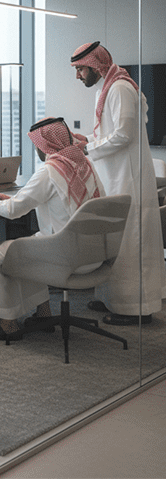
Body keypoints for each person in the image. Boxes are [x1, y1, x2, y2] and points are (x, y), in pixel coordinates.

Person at [0, 117, 105, 341]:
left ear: (45, 144)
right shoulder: (85, 164)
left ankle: (7, 324)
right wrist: (15, 200)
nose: (37, 149)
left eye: (37, 144)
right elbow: (56, 198)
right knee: (32, 242)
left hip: (66, 256)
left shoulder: (50, 170)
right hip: (95, 254)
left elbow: (14, 210)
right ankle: (43, 314)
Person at [71, 41, 166, 325]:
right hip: (113, 176)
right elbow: (108, 132)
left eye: (80, 69)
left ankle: (135, 309)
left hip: (127, 178)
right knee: (113, 238)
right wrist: (87, 139)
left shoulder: (121, 88)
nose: (78, 76)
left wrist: (89, 148)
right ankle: (112, 298)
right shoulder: (106, 88)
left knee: (129, 240)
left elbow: (124, 134)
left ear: (95, 65)